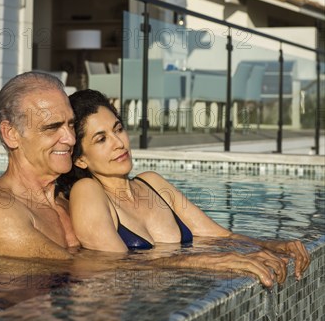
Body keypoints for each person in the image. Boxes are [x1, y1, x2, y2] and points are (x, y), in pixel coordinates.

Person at [57, 89, 310, 285]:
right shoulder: (88, 191)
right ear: (81, 158)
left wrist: (271, 245)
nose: (119, 143)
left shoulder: (151, 182)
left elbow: (220, 236)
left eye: (118, 129)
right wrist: (209, 262)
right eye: (101, 139)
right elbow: (113, 264)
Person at [0, 71, 79, 260]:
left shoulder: (66, 200)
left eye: (71, 124)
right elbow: (76, 272)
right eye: (52, 127)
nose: (71, 138)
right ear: (11, 134)